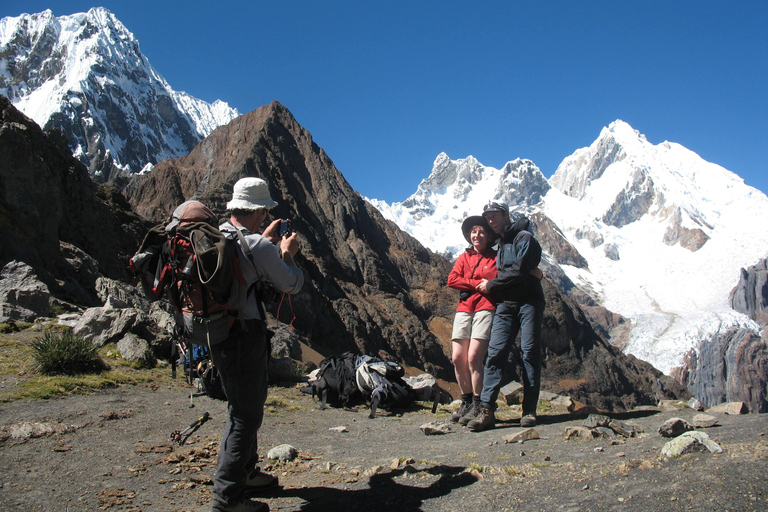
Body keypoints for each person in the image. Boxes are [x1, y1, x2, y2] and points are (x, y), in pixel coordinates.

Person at [211, 177, 304, 512]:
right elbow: (292, 284)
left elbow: (245, 263)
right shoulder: (259, 246)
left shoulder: (219, 235)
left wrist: (264, 244)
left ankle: (246, 473)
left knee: (241, 406)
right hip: (244, 335)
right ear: (260, 210)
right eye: (265, 210)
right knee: (245, 416)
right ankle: (228, 501)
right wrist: (287, 254)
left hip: (217, 334)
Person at [468, 201, 545, 432]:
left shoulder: (524, 238)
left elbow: (520, 271)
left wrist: (492, 284)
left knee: (529, 351)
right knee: (495, 353)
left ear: (505, 215)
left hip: (529, 301)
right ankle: (487, 411)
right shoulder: (499, 243)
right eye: (487, 217)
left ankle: (529, 410)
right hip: (506, 304)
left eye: (494, 216)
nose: (490, 220)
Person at [446, 215, 498, 426]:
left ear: (488, 236)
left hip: (486, 308)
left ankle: (479, 404)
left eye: (482, 231)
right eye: (474, 231)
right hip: (465, 308)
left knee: (474, 357)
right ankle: (466, 400)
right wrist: (477, 284)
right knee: (458, 357)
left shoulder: (496, 258)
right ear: (470, 235)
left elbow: (497, 281)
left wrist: (469, 282)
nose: (477, 235)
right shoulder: (463, 258)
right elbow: (452, 280)